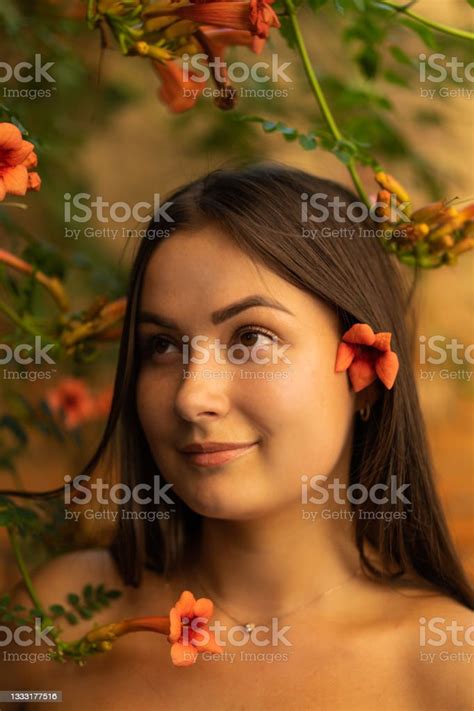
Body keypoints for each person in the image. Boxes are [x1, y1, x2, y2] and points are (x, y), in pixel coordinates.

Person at [4, 164, 473, 710]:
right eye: (161, 345)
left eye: (251, 337)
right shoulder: (57, 620)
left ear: (366, 374)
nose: (190, 396)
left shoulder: (446, 666)